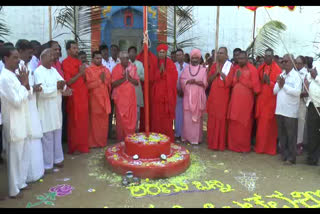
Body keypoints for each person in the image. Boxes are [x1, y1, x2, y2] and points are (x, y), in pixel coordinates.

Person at [0, 47, 32, 198]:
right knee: (14, 158)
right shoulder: (4, 78)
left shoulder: (13, 75)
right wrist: (24, 84)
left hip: (22, 120)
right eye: (14, 57)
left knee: (23, 154)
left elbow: (28, 94)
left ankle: (21, 183)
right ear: (5, 59)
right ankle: (14, 190)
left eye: (18, 57)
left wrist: (25, 85)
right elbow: (17, 101)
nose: (18, 60)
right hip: (13, 122)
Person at [34, 48, 67, 172]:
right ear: (42, 57)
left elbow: (63, 83)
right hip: (46, 110)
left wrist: (63, 87)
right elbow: (42, 91)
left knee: (57, 135)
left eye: (54, 56)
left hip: (56, 108)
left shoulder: (54, 70)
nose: (53, 58)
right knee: (47, 138)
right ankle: (48, 164)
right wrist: (56, 87)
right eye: (50, 56)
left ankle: (58, 159)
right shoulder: (38, 72)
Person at [227, 51, 261, 153]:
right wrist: (237, 78)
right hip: (235, 101)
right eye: (239, 58)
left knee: (244, 124)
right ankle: (233, 146)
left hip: (246, 102)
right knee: (234, 123)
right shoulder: (236, 68)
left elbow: (256, 88)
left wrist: (240, 78)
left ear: (247, 59)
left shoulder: (252, 70)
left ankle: (243, 147)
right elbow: (232, 83)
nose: (240, 60)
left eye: (242, 58)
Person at [274, 54, 302, 165]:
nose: (284, 63)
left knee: (291, 136)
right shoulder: (281, 74)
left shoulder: (297, 76)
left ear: (292, 62)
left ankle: (291, 158)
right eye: (283, 61)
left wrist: (284, 85)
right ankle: (284, 155)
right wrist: (279, 83)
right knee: (282, 135)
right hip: (280, 110)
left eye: (286, 61)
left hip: (290, 111)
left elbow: (297, 93)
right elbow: (274, 91)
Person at [62, 40, 89, 154]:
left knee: (83, 122)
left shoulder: (79, 62)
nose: (76, 50)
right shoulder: (65, 63)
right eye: (74, 48)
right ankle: (74, 147)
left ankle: (83, 146)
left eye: (77, 48)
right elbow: (68, 82)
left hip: (83, 95)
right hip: (74, 96)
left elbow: (85, 79)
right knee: (74, 122)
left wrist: (84, 74)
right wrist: (80, 73)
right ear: (68, 50)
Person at [255, 48, 282, 155]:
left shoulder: (277, 69)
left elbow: (278, 86)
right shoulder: (261, 68)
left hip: (271, 102)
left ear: (272, 56)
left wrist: (269, 82)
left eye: (269, 56)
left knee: (270, 127)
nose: (267, 58)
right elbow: (256, 81)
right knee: (261, 126)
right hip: (261, 101)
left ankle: (270, 149)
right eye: (265, 56)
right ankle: (260, 148)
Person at [207, 47, 234, 150]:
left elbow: (229, 82)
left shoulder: (230, 67)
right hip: (213, 97)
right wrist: (216, 73)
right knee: (212, 119)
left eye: (221, 53)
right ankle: (212, 143)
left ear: (226, 56)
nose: (219, 55)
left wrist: (221, 73)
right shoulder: (214, 66)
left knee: (221, 120)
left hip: (223, 98)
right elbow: (208, 80)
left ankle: (220, 144)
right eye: (218, 53)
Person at [150, 44, 178, 140]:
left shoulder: (170, 63)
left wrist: (165, 73)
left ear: (166, 53)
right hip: (157, 95)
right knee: (156, 117)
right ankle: (156, 138)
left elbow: (174, 77)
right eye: (160, 52)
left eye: (163, 52)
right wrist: (159, 73)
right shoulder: (154, 62)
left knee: (166, 119)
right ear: (157, 53)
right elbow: (151, 78)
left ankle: (167, 138)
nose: (161, 54)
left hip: (167, 96)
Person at [180, 49, 207, 145]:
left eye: (196, 58)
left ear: (199, 59)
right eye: (193, 58)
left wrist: (200, 83)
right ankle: (186, 137)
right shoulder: (186, 69)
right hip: (188, 96)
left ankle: (196, 139)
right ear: (190, 59)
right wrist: (187, 81)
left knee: (196, 120)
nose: (195, 60)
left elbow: (205, 83)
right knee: (187, 117)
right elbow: (182, 80)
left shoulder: (203, 70)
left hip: (198, 97)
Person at [86, 51, 111, 147]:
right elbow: (88, 85)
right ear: (92, 59)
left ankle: (102, 142)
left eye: (100, 58)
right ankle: (93, 143)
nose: (99, 60)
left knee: (104, 123)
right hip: (94, 100)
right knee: (94, 123)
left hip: (105, 100)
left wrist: (105, 80)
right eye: (97, 58)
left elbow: (109, 82)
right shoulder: (89, 70)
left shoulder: (105, 69)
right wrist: (100, 80)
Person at [112, 51, 139, 141]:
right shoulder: (116, 68)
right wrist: (124, 79)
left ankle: (130, 138)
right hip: (120, 99)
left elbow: (137, 82)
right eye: (125, 58)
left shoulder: (133, 67)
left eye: (128, 58)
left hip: (131, 97)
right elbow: (113, 84)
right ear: (120, 59)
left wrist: (130, 78)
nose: (127, 60)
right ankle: (121, 139)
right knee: (121, 120)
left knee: (131, 119)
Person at [136, 40, 157, 132]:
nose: (144, 46)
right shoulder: (137, 58)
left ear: (149, 45)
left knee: (151, 109)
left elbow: (155, 74)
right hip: (140, 87)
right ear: (140, 45)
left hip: (151, 88)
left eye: (146, 44)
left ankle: (151, 128)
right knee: (141, 109)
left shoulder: (154, 58)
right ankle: (141, 128)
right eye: (143, 44)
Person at [305, 67, 320, 165]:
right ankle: (312, 157)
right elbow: (308, 79)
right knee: (312, 133)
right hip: (312, 105)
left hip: (319, 105)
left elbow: (314, 78)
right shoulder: (316, 64)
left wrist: (316, 77)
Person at [128, 46, 144, 131]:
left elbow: (144, 77)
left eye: (134, 52)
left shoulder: (140, 64)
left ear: (136, 53)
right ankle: (129, 130)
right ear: (128, 54)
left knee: (137, 111)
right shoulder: (125, 63)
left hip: (137, 89)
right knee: (129, 111)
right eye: (130, 52)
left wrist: (136, 75)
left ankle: (136, 129)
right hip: (127, 91)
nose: (132, 54)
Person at [295, 56, 308, 155]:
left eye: (299, 63)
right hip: (292, 102)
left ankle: (299, 145)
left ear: (304, 64)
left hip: (301, 102)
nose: (297, 65)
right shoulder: (293, 72)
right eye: (296, 62)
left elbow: (306, 91)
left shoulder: (306, 74)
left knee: (300, 123)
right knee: (292, 123)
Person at [174, 48, 188, 141]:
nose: (179, 56)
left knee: (186, 114)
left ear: (183, 55)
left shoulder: (188, 66)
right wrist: (177, 90)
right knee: (177, 114)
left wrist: (184, 90)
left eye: (180, 55)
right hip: (176, 93)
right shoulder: (173, 66)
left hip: (187, 93)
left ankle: (185, 133)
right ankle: (177, 133)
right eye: (177, 55)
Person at [108, 44, 120, 139]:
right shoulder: (107, 61)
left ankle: (118, 130)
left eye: (115, 50)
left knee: (119, 112)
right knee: (110, 111)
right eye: (112, 50)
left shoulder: (121, 61)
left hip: (121, 90)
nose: (114, 52)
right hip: (110, 89)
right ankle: (110, 131)